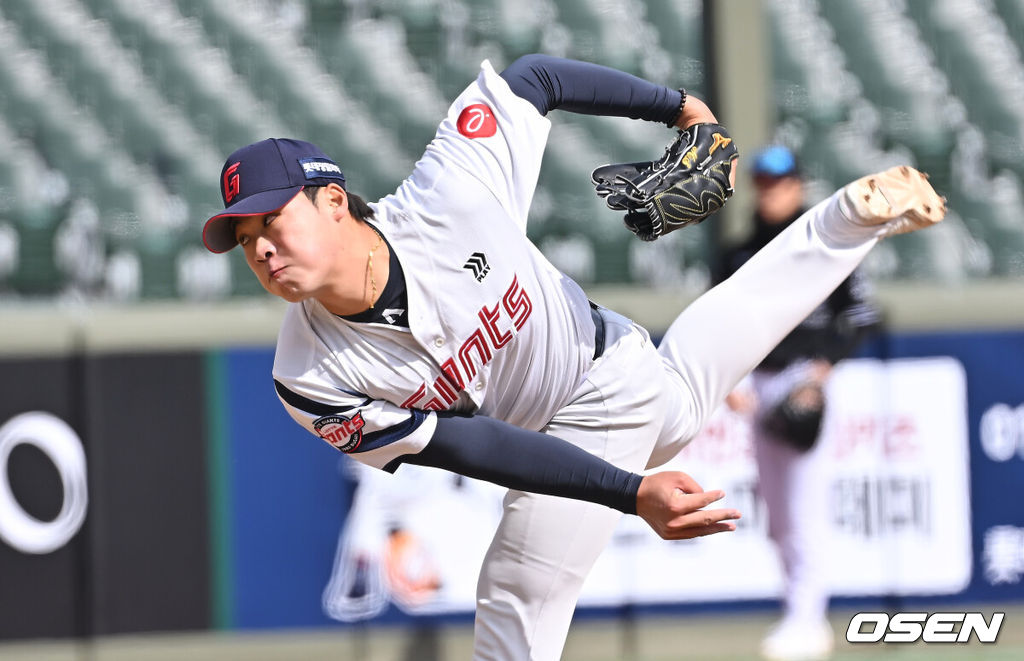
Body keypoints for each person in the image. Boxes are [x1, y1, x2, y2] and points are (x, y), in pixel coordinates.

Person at [200, 54, 944, 660]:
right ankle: (846, 222)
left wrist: (682, 108)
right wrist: (629, 491)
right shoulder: (308, 374)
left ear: (333, 201)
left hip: (600, 384)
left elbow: (536, 78)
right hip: (606, 387)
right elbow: (474, 447)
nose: (260, 248)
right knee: (684, 400)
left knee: (514, 599)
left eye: (272, 219)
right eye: (244, 238)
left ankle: (844, 226)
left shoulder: (448, 193)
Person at [717, 145, 884, 661]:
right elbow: (718, 322)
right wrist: (728, 379)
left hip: (803, 377)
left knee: (804, 507)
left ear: (799, 186)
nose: (772, 192)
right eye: (764, 183)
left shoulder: (826, 244)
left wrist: (823, 369)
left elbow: (862, 316)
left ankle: (808, 618)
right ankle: (798, 613)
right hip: (759, 380)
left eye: (781, 183)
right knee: (778, 513)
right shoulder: (738, 254)